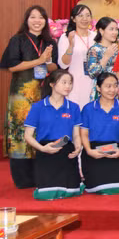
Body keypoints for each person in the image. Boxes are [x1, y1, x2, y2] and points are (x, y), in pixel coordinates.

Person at [1, 5, 58, 188]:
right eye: (33, 17)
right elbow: (12, 66)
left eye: (41, 17)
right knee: (20, 132)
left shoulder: (50, 42)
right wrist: (39, 61)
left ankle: (40, 173)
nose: (37, 21)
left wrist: (47, 62)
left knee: (41, 131)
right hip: (21, 96)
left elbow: (54, 67)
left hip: (43, 94)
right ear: (27, 20)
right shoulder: (18, 40)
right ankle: (22, 178)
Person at [23, 69, 83, 200]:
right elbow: (28, 136)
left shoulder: (74, 107)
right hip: (45, 151)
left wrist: (78, 148)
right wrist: (42, 148)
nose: (68, 86)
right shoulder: (38, 107)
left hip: (66, 151)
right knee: (46, 194)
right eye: (64, 82)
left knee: (72, 192)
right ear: (52, 84)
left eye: (70, 83)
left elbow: (76, 135)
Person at [80, 72, 119, 195]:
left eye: (115, 86)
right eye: (108, 86)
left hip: (114, 151)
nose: (112, 90)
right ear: (98, 88)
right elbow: (84, 133)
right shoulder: (88, 108)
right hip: (94, 152)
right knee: (99, 188)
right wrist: (89, 151)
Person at [57, 4, 95, 108]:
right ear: (73, 19)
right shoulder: (66, 37)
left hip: (93, 81)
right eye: (80, 16)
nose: (85, 19)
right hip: (75, 82)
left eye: (88, 15)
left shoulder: (95, 37)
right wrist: (70, 46)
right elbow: (63, 64)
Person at [85, 17, 119, 101]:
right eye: (111, 29)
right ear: (101, 31)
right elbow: (92, 73)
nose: (115, 32)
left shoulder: (117, 49)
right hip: (101, 92)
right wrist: (106, 57)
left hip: (115, 90)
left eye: (116, 29)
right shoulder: (94, 49)